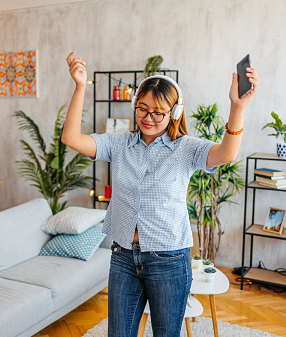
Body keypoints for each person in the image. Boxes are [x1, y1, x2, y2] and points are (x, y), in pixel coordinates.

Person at [62, 51, 258, 336]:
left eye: (158, 112)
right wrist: (80, 86)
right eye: (142, 109)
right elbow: (71, 138)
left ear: (175, 113)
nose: (148, 118)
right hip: (123, 255)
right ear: (134, 106)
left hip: (169, 259)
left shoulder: (185, 148)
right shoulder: (119, 144)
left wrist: (237, 107)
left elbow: (226, 153)